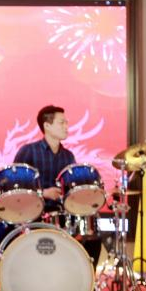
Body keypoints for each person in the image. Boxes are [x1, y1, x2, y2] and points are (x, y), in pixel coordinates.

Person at [13, 105, 102, 266]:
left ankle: (83, 280)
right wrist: (43, 193)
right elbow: (16, 188)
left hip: (63, 218)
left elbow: (73, 188)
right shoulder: (28, 151)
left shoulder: (68, 156)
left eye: (66, 122)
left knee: (93, 240)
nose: (66, 126)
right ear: (47, 126)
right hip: (35, 217)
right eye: (62, 123)